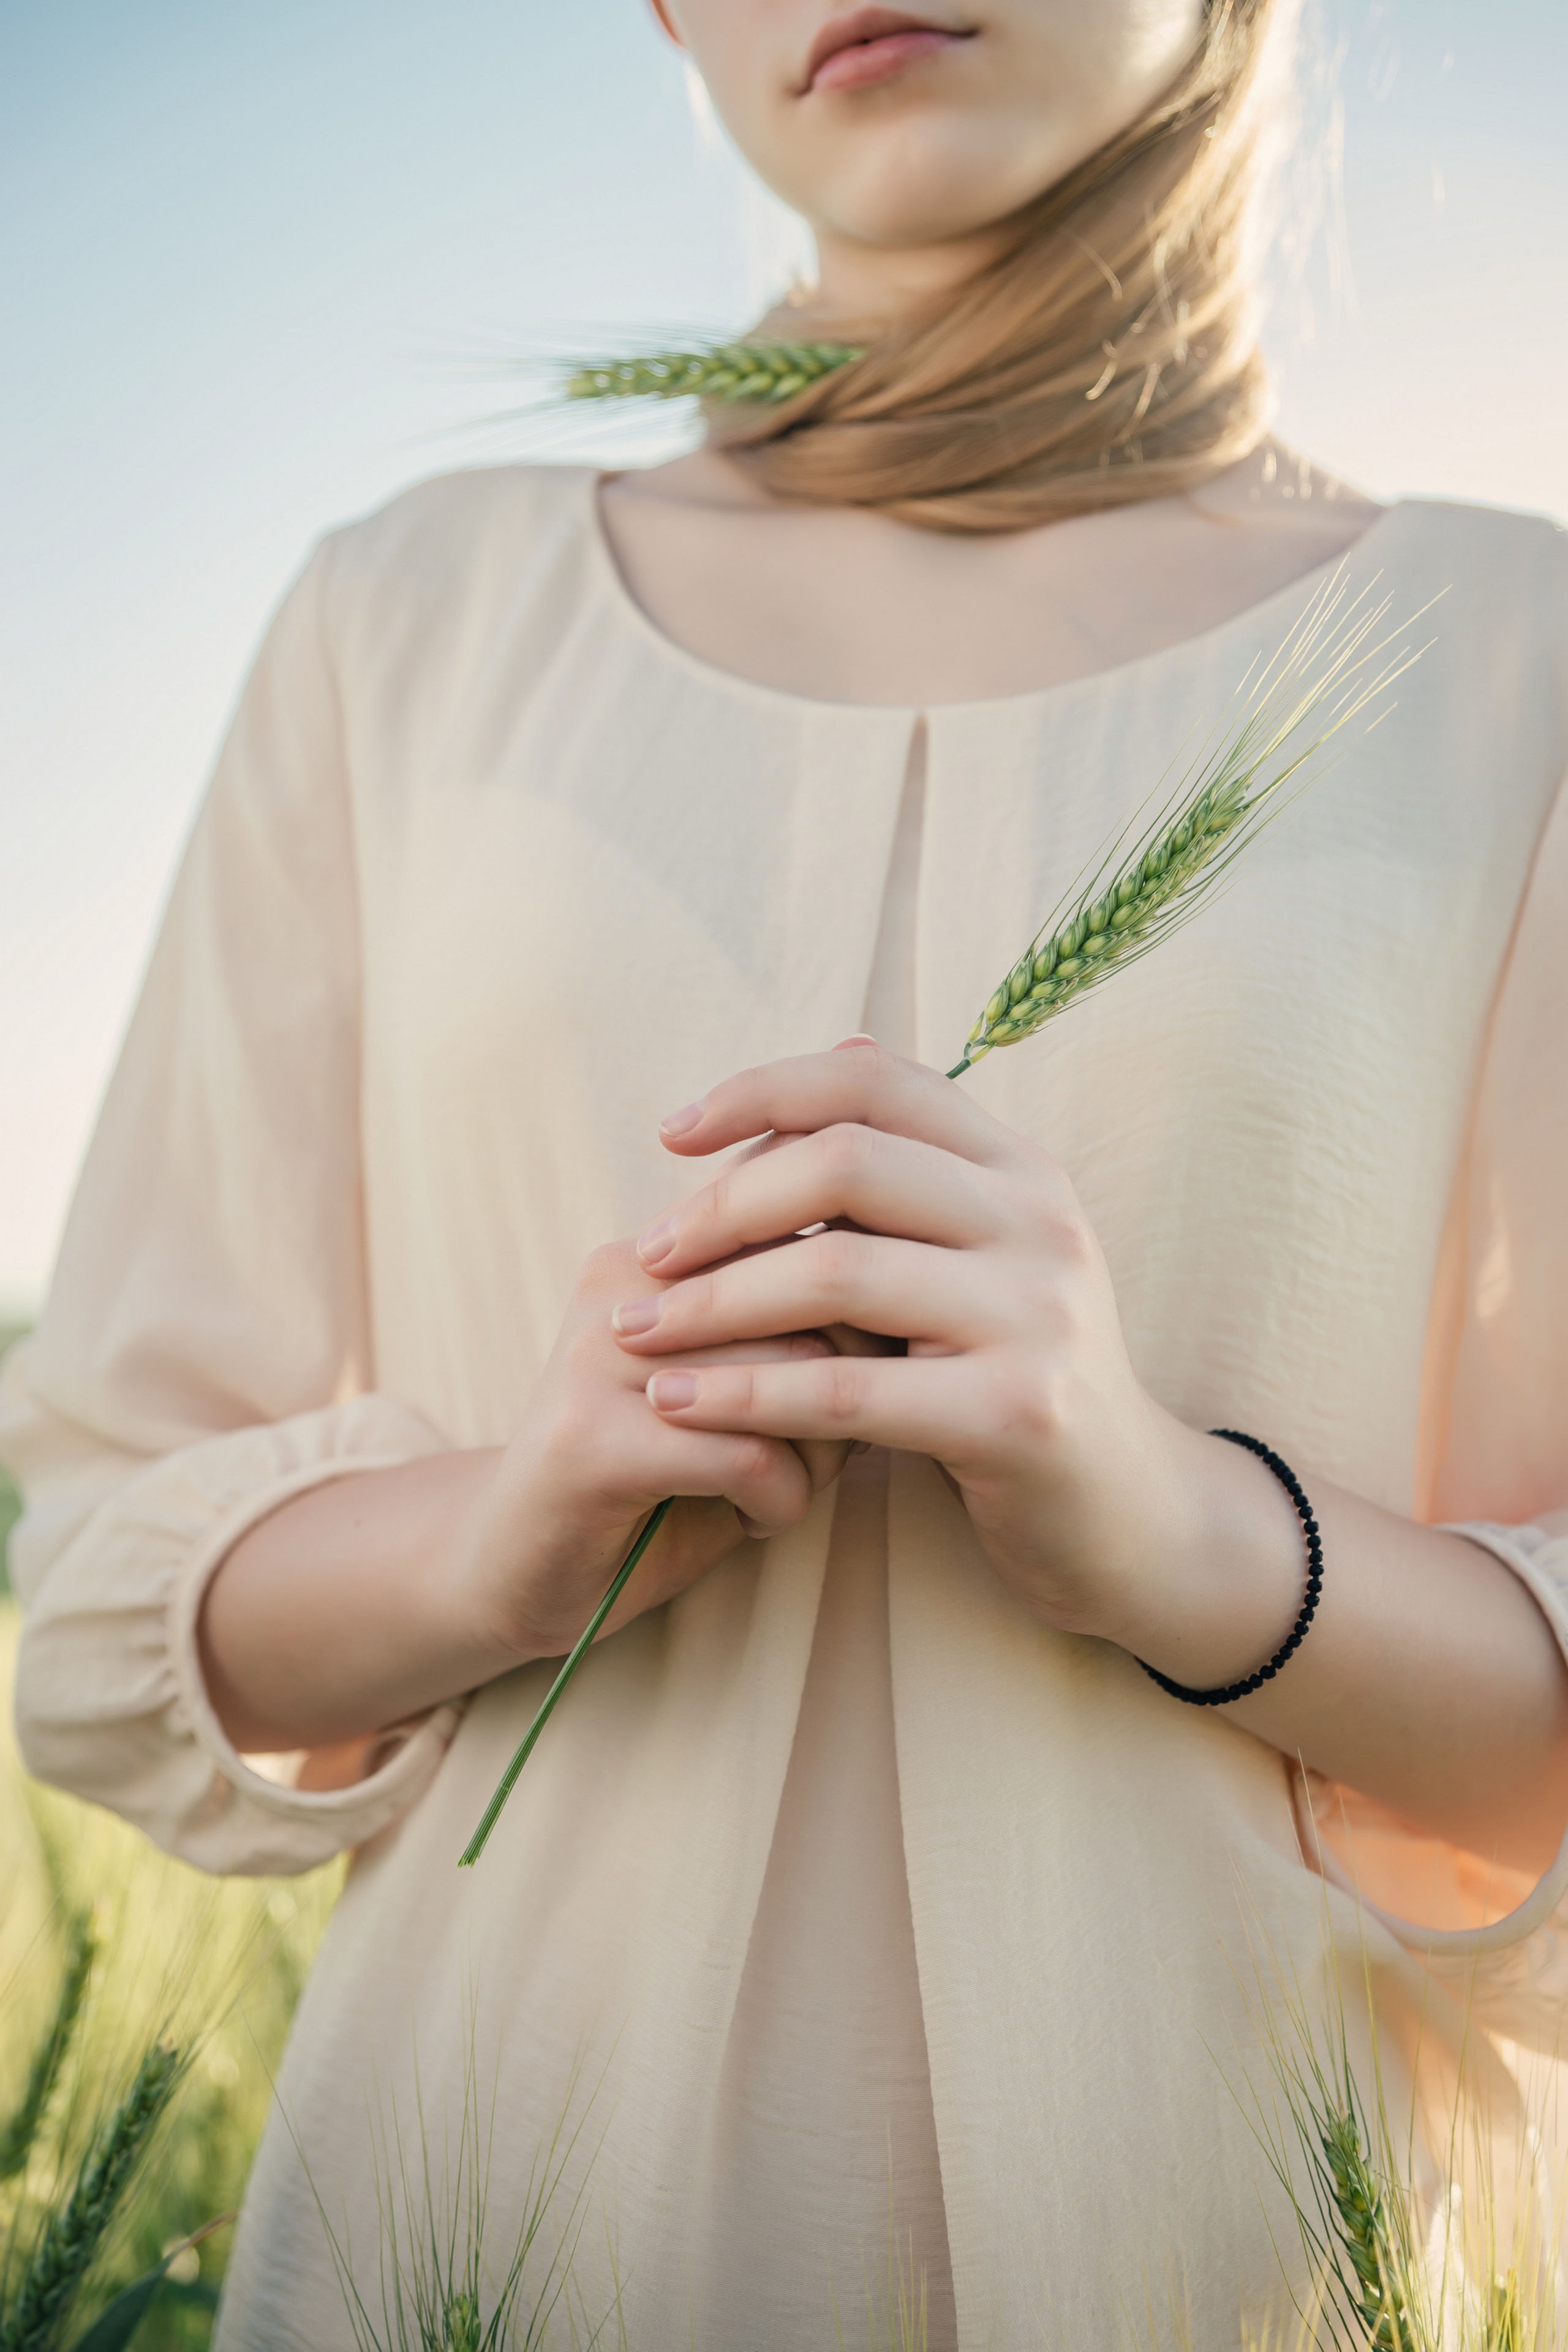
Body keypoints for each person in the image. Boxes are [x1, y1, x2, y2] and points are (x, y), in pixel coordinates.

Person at [6, 1, 1568, 2343]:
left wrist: (1178, 1527)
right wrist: (495, 1531)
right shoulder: (404, 619)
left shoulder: (1508, 663)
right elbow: (111, 1584)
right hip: (476, 2237)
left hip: (1234, 2257)